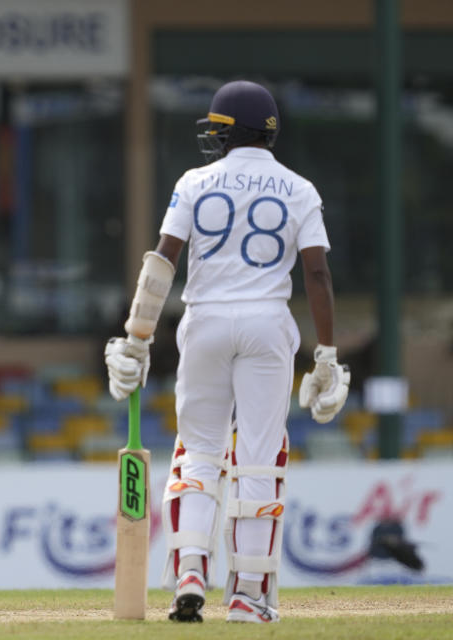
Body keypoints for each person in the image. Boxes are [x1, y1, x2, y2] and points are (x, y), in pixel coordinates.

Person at [104, 80, 350, 624]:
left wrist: (137, 337)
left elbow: (161, 262)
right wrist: (327, 355)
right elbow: (316, 273)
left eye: (217, 128)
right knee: (259, 458)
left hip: (206, 322)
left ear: (229, 132)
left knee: (198, 451)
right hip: (267, 326)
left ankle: (190, 569)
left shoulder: (193, 182)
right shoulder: (299, 188)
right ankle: (247, 595)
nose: (210, 137)